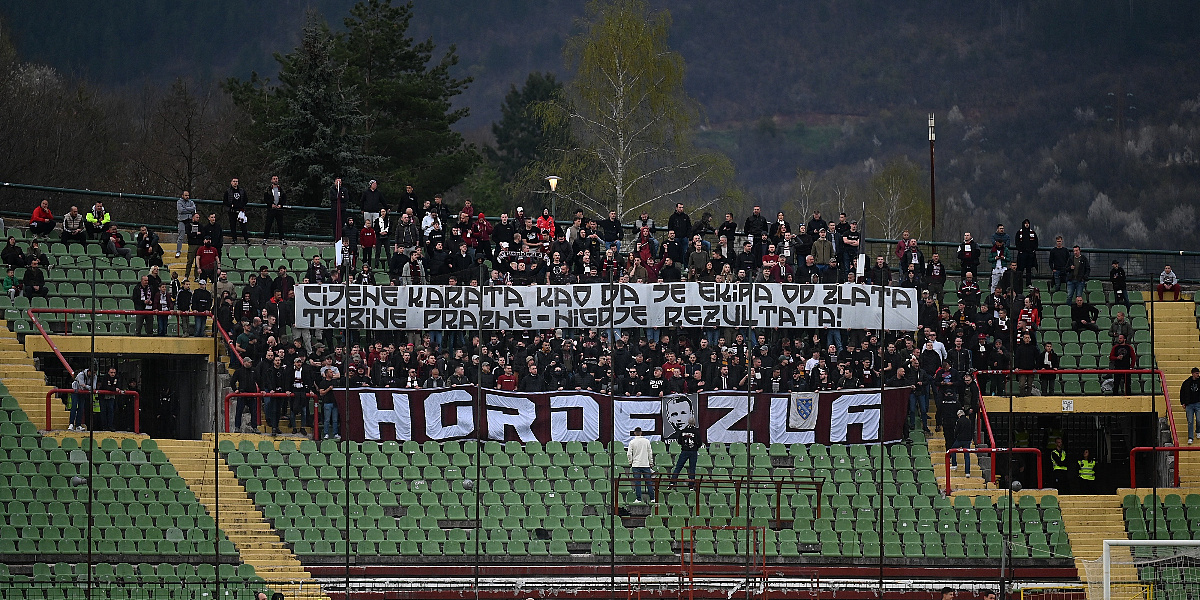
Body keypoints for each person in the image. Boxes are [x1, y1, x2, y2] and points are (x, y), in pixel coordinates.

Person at [668, 416, 701, 487]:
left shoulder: (683, 430)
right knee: (692, 468)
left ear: (688, 422)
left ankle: (672, 482)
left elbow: (679, 441)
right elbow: (700, 442)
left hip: (684, 451)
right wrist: (695, 447)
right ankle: (691, 485)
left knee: (678, 467)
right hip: (693, 451)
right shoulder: (696, 431)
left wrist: (684, 445)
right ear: (694, 423)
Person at [231, 357, 260, 433]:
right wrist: (235, 389)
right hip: (242, 394)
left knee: (254, 412)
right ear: (244, 362)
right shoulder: (239, 372)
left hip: (252, 394)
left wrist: (262, 389)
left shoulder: (254, 371)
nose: (250, 363)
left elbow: (259, 381)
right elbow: (232, 381)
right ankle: (237, 427)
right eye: (249, 362)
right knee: (239, 411)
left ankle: (254, 427)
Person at [627, 427, 655, 503]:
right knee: (649, 482)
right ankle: (652, 498)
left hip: (636, 465)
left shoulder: (632, 442)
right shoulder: (646, 441)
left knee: (637, 483)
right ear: (641, 432)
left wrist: (630, 462)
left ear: (634, 433)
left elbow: (629, 454)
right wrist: (651, 462)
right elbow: (650, 453)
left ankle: (639, 498)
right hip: (645, 464)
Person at [70, 367, 97, 431]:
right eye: (93, 373)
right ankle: (71, 424)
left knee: (81, 408)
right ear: (89, 371)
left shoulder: (94, 376)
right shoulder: (81, 375)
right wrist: (88, 387)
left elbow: (94, 387)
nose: (94, 374)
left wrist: (86, 386)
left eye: (95, 373)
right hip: (75, 391)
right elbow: (82, 385)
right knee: (74, 406)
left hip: (83, 392)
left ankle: (78, 425)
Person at [224, 178, 250, 243]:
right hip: (232, 211)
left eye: (236, 181)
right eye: (234, 181)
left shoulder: (242, 191)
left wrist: (241, 205)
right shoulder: (228, 191)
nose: (235, 183)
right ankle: (234, 239)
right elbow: (225, 201)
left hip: (240, 211)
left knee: (243, 226)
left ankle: (246, 239)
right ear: (231, 182)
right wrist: (231, 205)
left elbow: (246, 200)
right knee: (233, 226)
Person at [949, 409, 974, 475]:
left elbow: (956, 430)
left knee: (953, 449)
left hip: (960, 439)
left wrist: (955, 437)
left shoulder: (959, 421)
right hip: (967, 440)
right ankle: (967, 472)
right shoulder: (968, 421)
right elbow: (971, 430)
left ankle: (954, 464)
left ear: (959, 415)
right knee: (967, 456)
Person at [263, 175, 287, 243]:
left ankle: (282, 238)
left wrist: (281, 205)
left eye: (276, 179)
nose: (275, 180)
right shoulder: (268, 189)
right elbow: (265, 198)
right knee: (268, 224)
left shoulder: (281, 189)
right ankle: (265, 238)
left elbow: (284, 198)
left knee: (280, 225)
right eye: (274, 179)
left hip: (279, 209)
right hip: (271, 209)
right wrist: (271, 204)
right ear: (271, 180)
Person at [1181, 368, 1200, 444]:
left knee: (1199, 419)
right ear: (1192, 373)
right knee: (1190, 421)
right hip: (1189, 404)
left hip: (1198, 403)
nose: (1198, 375)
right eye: (1196, 373)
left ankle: (1198, 431)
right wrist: (1183, 402)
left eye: (1198, 373)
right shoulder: (1186, 383)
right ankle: (1190, 437)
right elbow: (1182, 393)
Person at [176, 191, 197, 258]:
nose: (187, 197)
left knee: (193, 235)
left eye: (188, 195)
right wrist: (189, 210)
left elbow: (194, 209)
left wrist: (185, 208)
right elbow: (180, 210)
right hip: (182, 221)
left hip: (190, 221)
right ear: (182, 195)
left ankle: (193, 251)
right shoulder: (179, 202)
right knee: (181, 237)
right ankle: (178, 251)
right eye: (185, 195)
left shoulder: (191, 202)